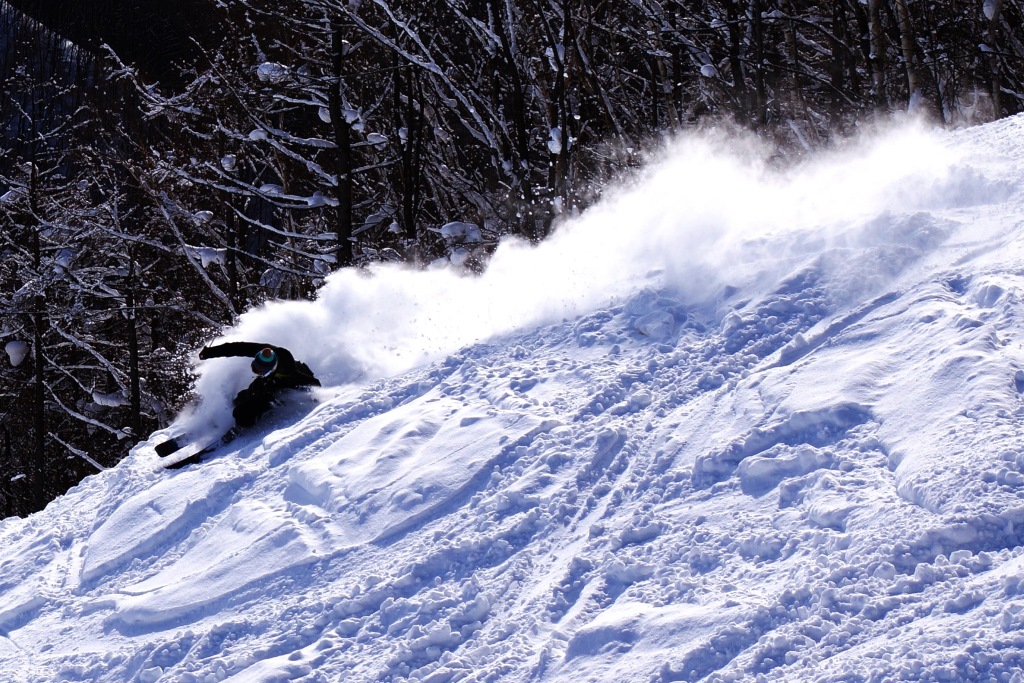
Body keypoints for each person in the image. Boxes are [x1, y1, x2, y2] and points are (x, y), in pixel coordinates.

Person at [199, 342, 321, 428]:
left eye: (261, 371)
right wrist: (210, 352)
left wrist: (314, 399)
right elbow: (238, 348)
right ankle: (231, 412)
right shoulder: (267, 352)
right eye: (255, 367)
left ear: (272, 369)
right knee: (245, 395)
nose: (257, 372)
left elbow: (314, 384)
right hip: (270, 381)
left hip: (282, 389)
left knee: (243, 412)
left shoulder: (292, 374)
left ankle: (244, 421)